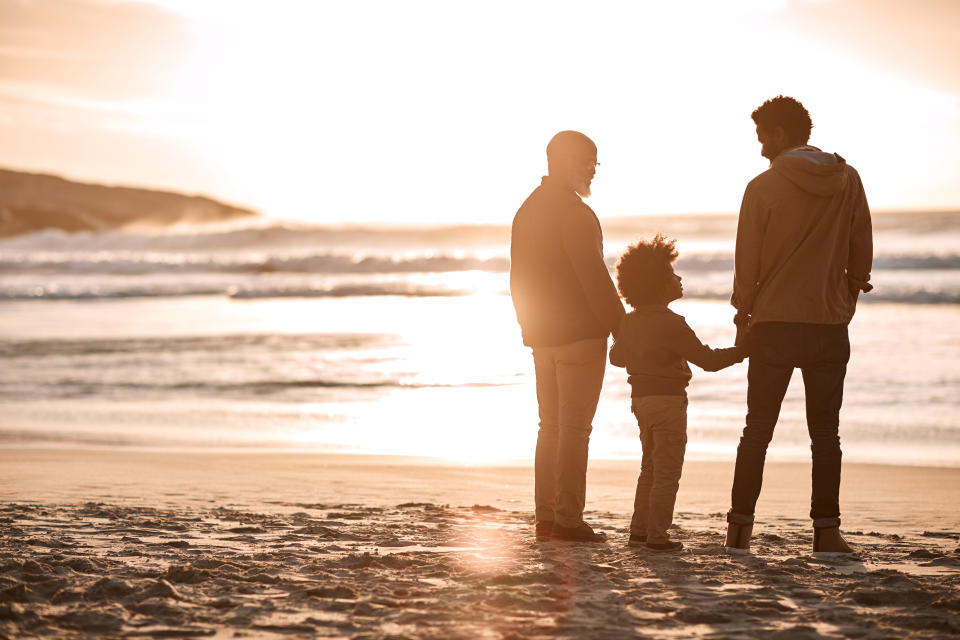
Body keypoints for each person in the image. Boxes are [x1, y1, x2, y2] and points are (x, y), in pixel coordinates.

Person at [725, 96, 873, 555]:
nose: (759, 147)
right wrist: (845, 298)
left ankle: (739, 532)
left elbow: (746, 264)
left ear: (780, 134)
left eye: (762, 137)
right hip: (828, 324)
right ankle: (827, 532)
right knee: (825, 432)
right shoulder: (848, 179)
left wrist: (743, 314)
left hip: (774, 324)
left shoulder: (762, 187)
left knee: (757, 430)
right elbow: (861, 249)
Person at [510, 130, 625, 542]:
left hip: (543, 337)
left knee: (551, 428)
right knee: (574, 430)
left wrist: (529, 327)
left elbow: (517, 279)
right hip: (578, 337)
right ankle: (568, 521)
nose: (593, 169)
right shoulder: (575, 213)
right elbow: (594, 279)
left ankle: (546, 518)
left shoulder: (527, 210)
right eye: (588, 160)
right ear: (562, 161)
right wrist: (622, 329)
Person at [610, 234, 745, 551]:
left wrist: (642, 352)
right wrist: (743, 350)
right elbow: (708, 361)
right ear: (658, 283)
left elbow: (616, 357)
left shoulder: (630, 322)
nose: (680, 278)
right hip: (669, 402)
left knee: (650, 468)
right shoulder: (673, 324)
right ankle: (657, 536)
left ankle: (639, 530)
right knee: (667, 471)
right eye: (672, 274)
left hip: (640, 401)